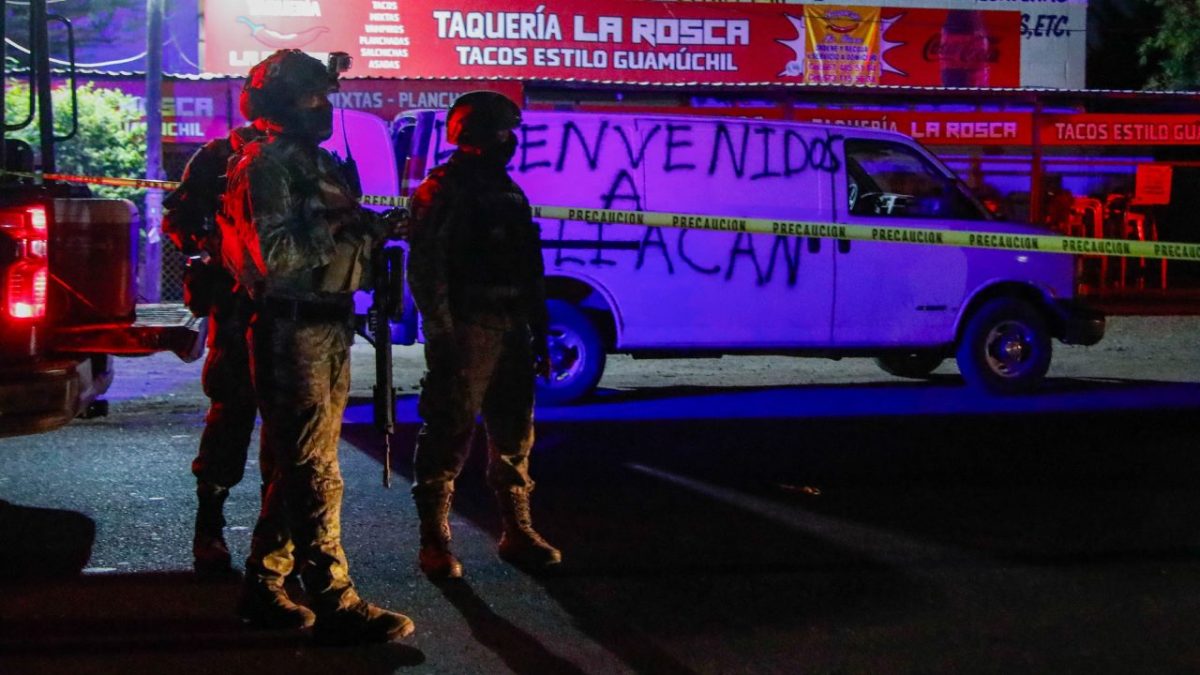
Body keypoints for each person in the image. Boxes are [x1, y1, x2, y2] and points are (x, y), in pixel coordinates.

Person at [220, 48, 412, 643]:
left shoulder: (315, 162)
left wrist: (376, 228)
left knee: (295, 465)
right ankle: (333, 597)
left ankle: (265, 584)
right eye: (312, 96)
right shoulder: (265, 166)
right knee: (313, 469)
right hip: (291, 326)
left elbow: (335, 229)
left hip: (328, 323)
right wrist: (339, 228)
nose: (324, 107)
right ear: (284, 103)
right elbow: (275, 257)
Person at [407, 90, 561, 580]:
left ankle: (517, 530)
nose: (509, 141)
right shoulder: (442, 190)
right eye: (500, 131)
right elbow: (427, 272)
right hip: (469, 326)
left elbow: (528, 263)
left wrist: (538, 326)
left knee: (515, 432)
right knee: (449, 430)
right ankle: (435, 541)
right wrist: (443, 335)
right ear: (472, 133)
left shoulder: (508, 190)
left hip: (512, 324)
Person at [162, 83, 272, 583]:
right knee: (231, 415)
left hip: (294, 312)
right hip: (236, 307)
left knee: (294, 436)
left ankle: (277, 545)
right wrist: (214, 245)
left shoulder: (307, 158)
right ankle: (209, 527)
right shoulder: (219, 156)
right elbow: (179, 220)